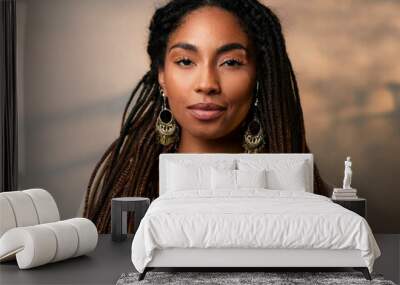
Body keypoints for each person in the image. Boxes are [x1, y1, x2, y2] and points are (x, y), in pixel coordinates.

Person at [83, 0, 332, 233]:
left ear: (258, 76)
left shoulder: (313, 204)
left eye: (231, 62)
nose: (207, 84)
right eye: (185, 61)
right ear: (161, 74)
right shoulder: (117, 193)